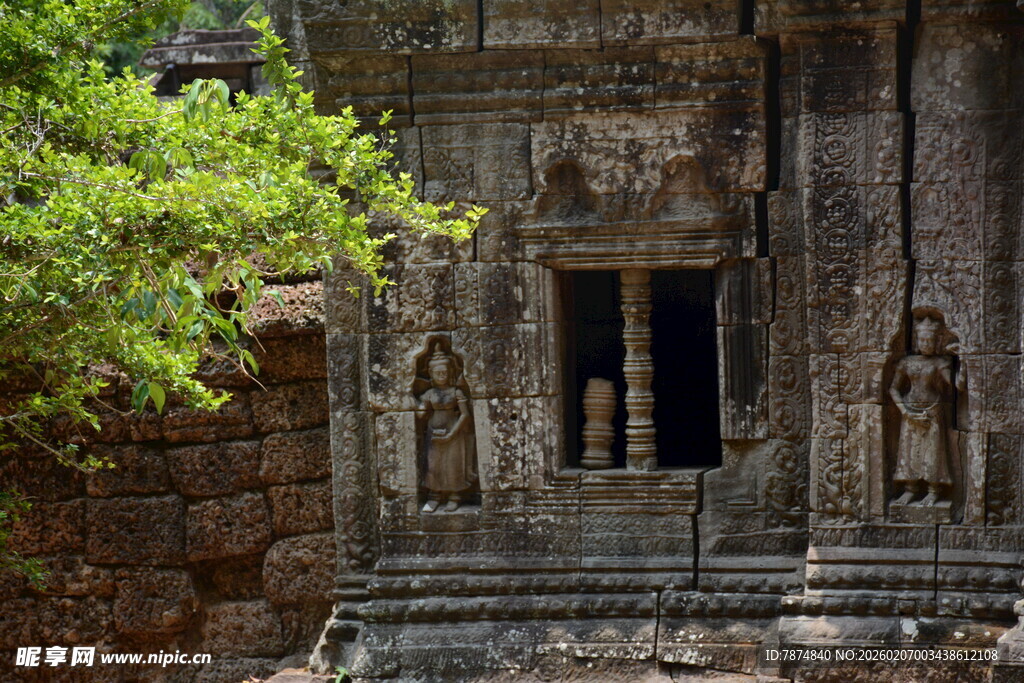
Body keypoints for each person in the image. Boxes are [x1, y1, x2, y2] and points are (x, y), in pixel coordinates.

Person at [889, 315, 958, 506]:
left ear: (936, 342)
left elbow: (956, 385)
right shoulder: (906, 362)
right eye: (922, 340)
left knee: (933, 452)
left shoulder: (939, 363)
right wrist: (904, 411)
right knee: (908, 451)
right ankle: (910, 489)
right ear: (917, 341)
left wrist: (966, 361)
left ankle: (933, 490)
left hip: (932, 412)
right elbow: (893, 388)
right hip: (909, 411)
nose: (926, 344)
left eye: (930, 340)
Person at [416, 343, 476, 512]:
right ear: (431, 374)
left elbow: (465, 415)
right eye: (438, 373)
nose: (442, 375)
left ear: (450, 372)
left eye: (444, 372)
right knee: (433, 464)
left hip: (454, 431)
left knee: (453, 464)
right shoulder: (430, 394)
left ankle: (454, 496)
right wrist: (413, 404)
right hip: (434, 432)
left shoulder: (456, 392)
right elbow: (421, 414)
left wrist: (452, 434)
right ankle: (434, 496)